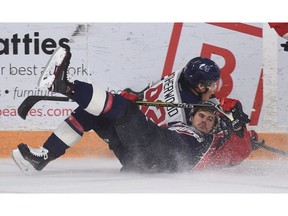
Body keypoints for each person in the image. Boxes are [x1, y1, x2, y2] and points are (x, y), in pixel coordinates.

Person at [12, 49, 256, 174]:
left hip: (156, 154)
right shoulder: (194, 100)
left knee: (119, 109)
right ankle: (43, 156)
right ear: (200, 84)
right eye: (211, 84)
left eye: (207, 119)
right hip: (141, 147)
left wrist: (240, 128)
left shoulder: (188, 89)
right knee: (95, 110)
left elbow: (232, 136)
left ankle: (65, 87)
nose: (214, 89)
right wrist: (136, 97)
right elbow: (147, 100)